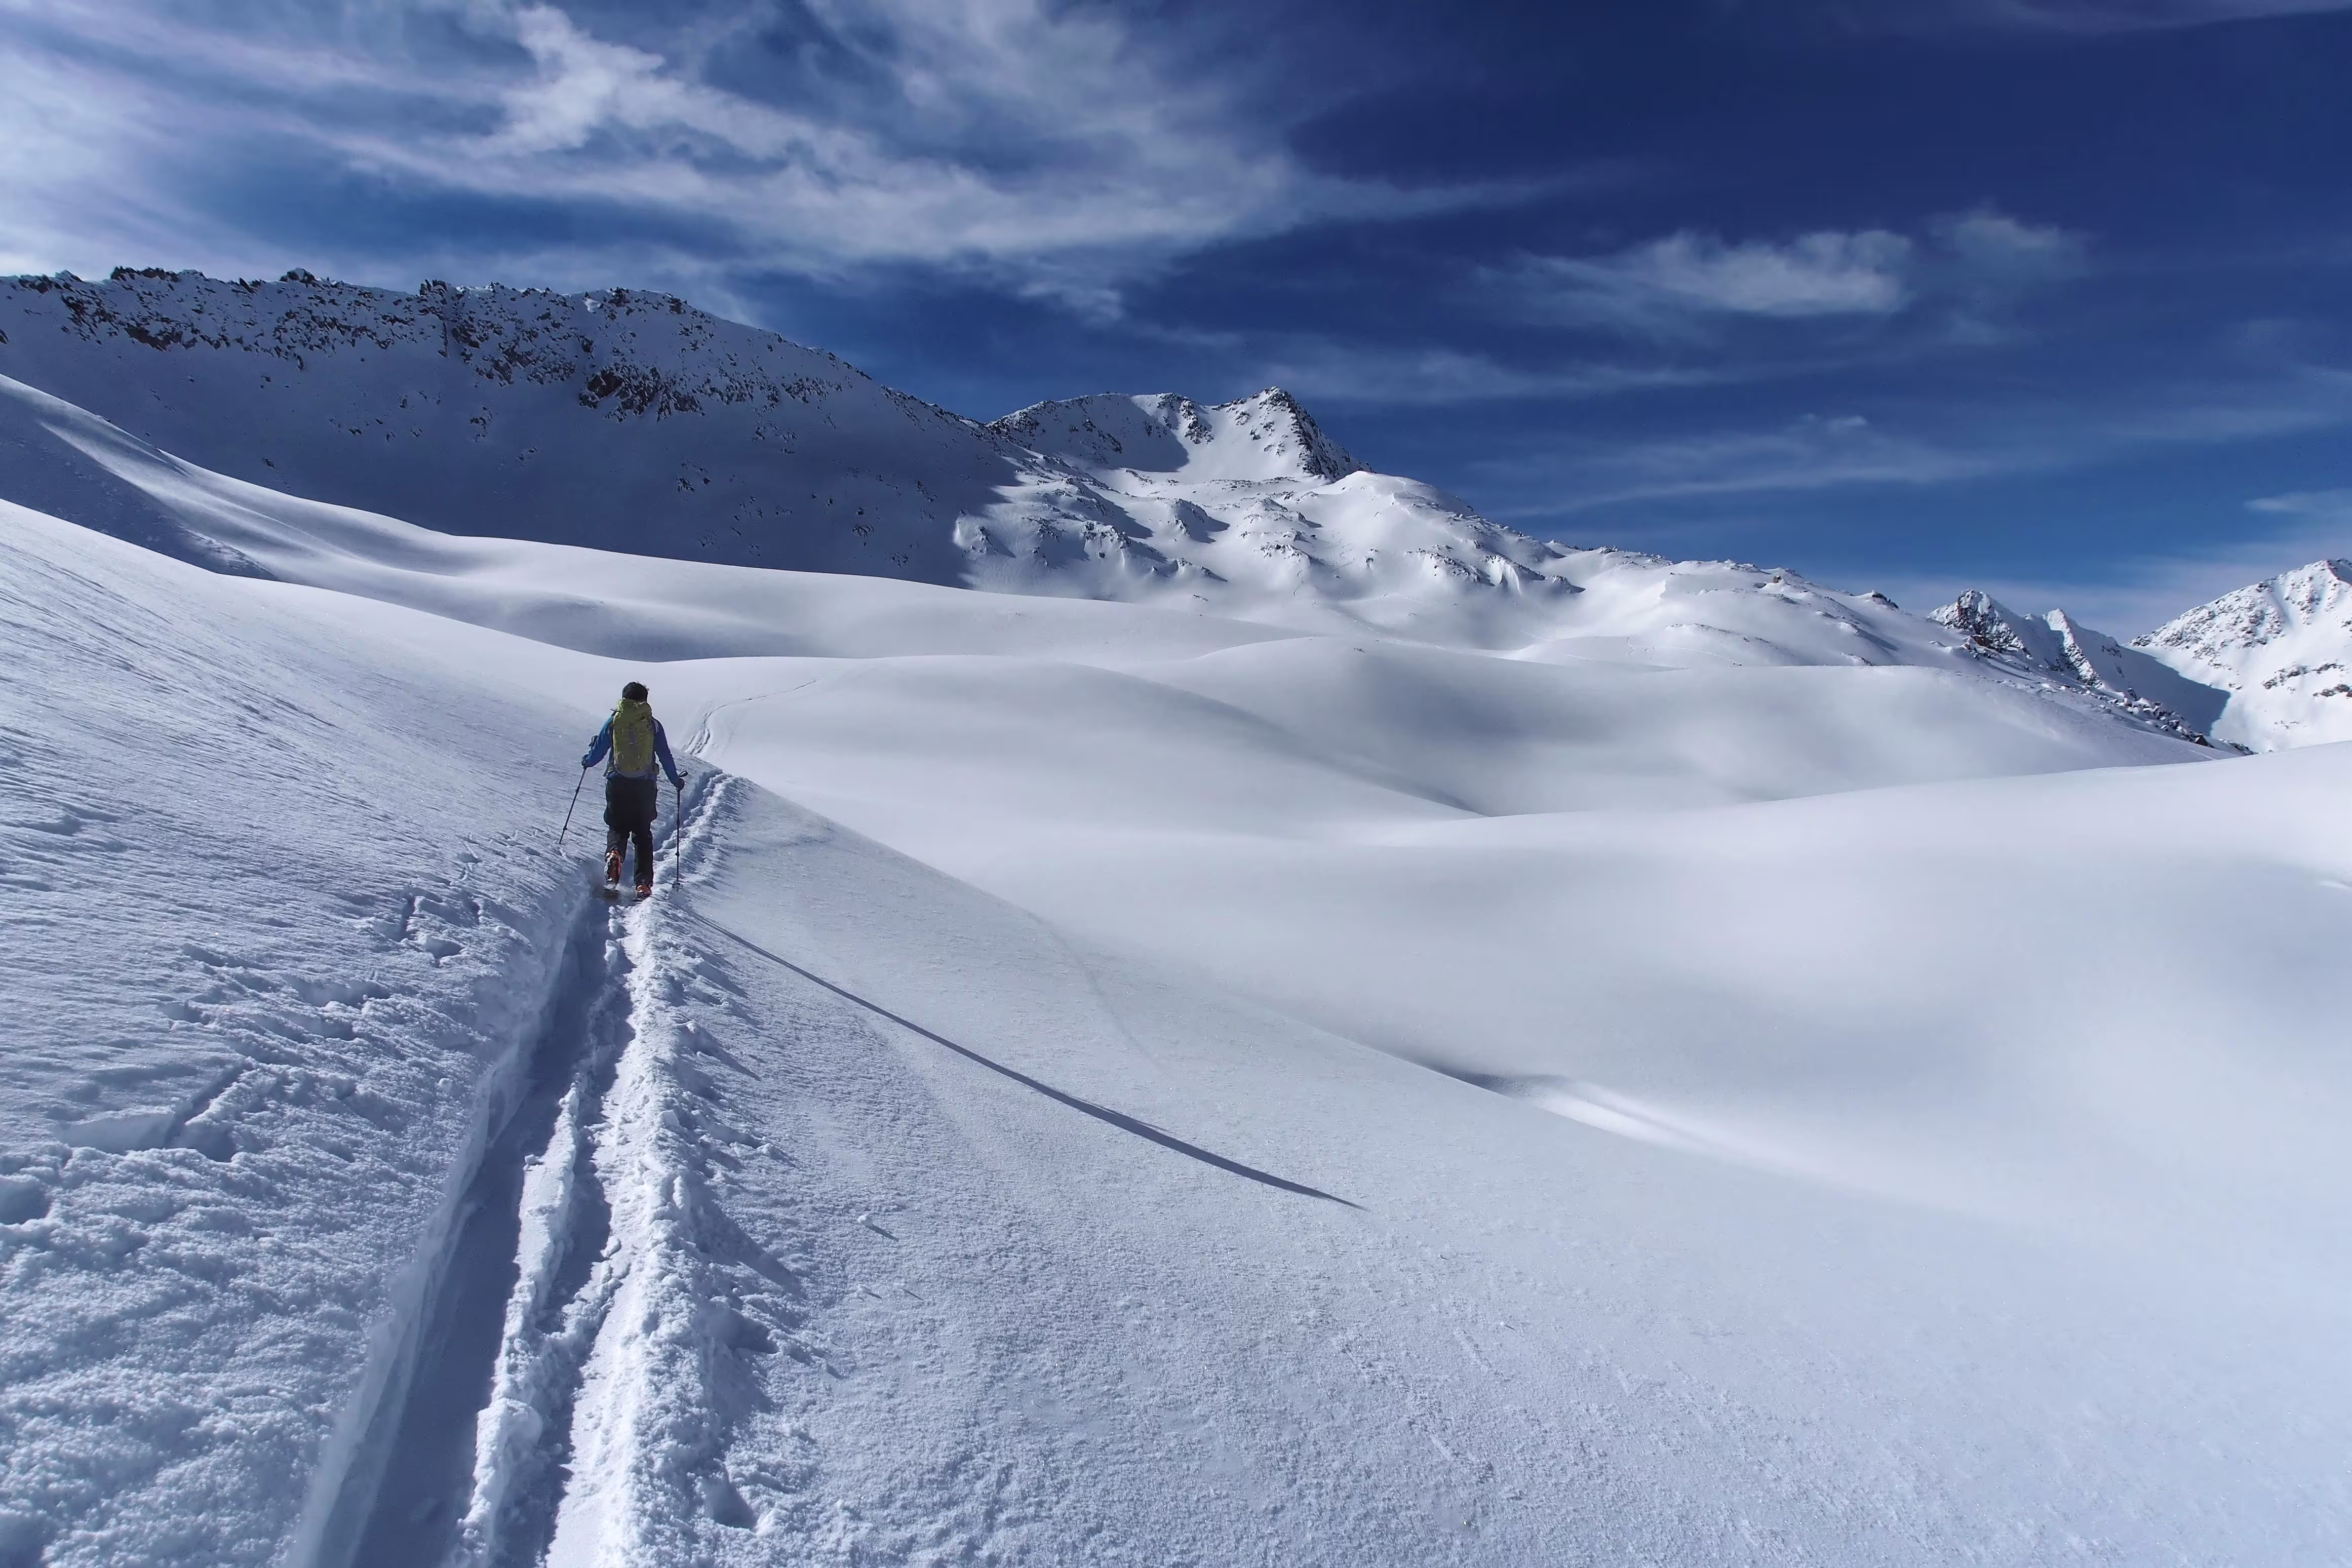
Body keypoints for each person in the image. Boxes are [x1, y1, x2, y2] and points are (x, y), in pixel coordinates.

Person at [581, 681, 684, 895]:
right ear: (645, 700)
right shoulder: (653, 725)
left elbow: (599, 749)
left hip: (617, 782)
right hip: (645, 786)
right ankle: (643, 883)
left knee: (618, 827)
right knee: (642, 833)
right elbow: (665, 755)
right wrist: (676, 781)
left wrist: (587, 761)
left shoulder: (614, 721)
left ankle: (615, 854)